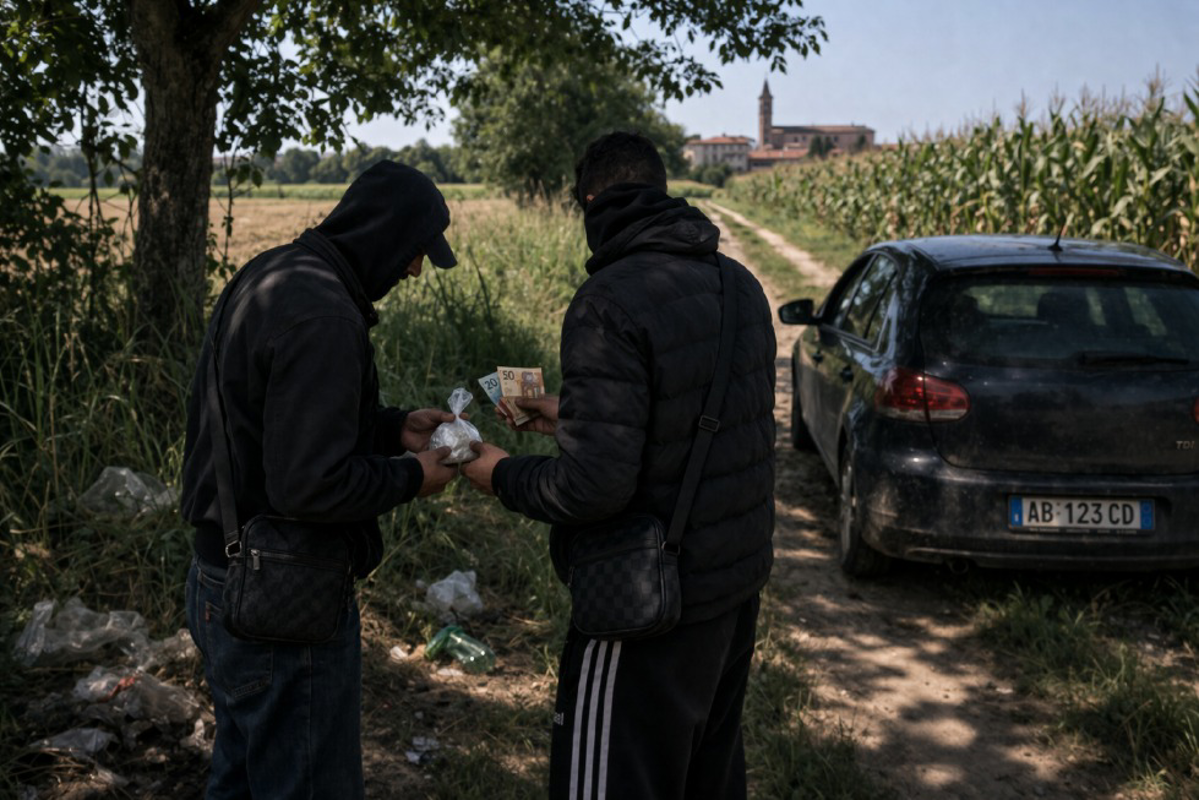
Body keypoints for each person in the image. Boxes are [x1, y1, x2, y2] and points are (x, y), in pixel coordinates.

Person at [462, 132, 777, 799]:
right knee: (703, 779)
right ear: (660, 192)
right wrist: (571, 414)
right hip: (729, 592)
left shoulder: (608, 301)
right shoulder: (740, 286)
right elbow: (694, 424)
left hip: (644, 605)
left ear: (590, 202)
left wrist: (496, 471)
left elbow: (592, 487)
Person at [180, 161, 460, 798]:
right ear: (385, 235)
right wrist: (412, 475)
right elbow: (310, 486)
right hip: (282, 604)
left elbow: (276, 424)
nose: (415, 270)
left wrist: (393, 429)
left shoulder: (273, 272)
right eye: (415, 252)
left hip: (221, 578)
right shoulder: (326, 317)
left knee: (243, 775)